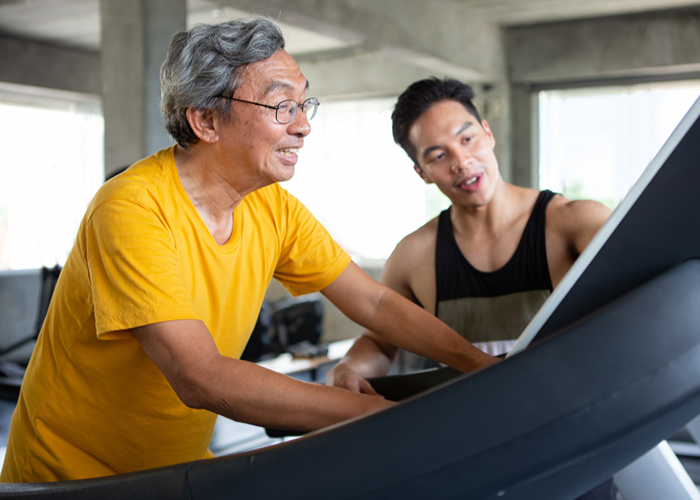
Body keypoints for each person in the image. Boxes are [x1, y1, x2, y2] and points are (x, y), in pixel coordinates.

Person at [0, 20, 497, 483]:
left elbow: (375, 304)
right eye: (283, 107)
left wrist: (481, 366)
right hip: (68, 477)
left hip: (173, 471)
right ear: (206, 120)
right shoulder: (132, 209)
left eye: (306, 105)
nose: (303, 126)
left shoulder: (272, 208)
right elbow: (200, 376)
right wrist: (378, 417)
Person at [327, 77, 615, 499]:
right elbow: (379, 340)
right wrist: (349, 368)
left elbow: (635, 294)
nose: (462, 161)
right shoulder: (414, 255)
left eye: (467, 139)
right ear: (421, 172)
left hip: (570, 445)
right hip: (469, 456)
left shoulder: (575, 223)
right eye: (439, 155)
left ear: (487, 133)